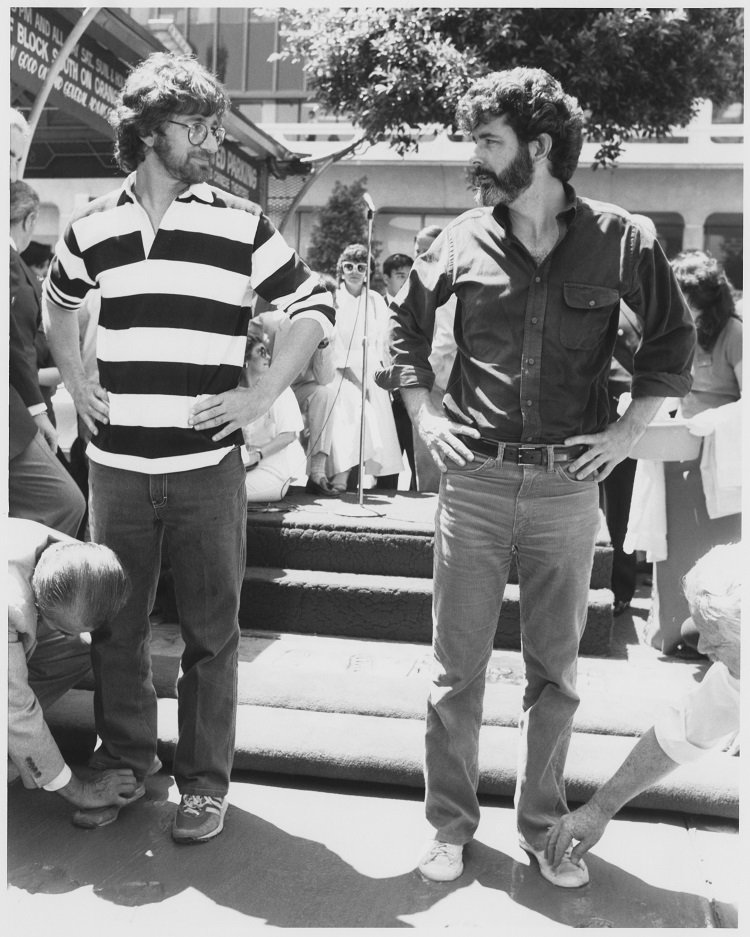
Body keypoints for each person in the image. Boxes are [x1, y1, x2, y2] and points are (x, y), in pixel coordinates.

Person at [376, 66, 695, 887]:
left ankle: (543, 822)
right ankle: (449, 825)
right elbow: (405, 335)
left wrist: (626, 434)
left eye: (488, 140)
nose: (473, 156)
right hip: (474, 482)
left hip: (566, 488)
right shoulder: (458, 238)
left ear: (540, 146)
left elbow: (672, 344)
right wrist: (425, 414)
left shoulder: (625, 239)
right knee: (456, 670)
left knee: (557, 673)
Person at [43, 52, 334, 844]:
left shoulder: (240, 222)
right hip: (117, 472)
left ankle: (205, 784)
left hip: (207, 472)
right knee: (115, 627)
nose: (209, 138)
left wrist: (260, 394)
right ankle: (129, 762)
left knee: (212, 634)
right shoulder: (92, 226)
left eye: (213, 123)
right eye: (194, 125)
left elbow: (314, 301)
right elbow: (57, 301)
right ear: (145, 130)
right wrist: (76, 375)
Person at [544, 541, 741, 876]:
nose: (702, 647)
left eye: (715, 640)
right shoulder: (735, 673)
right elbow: (677, 734)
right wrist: (598, 809)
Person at [8, 517, 140, 818]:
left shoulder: (70, 556)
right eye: (61, 627)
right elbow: (14, 711)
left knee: (78, 648)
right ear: (38, 601)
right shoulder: (9, 608)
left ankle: (17, 743)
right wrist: (79, 790)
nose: (69, 634)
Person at [644, 250, 743, 655]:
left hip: (719, 463)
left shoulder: (735, 333)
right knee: (673, 547)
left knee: (710, 552)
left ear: (704, 296)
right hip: (676, 450)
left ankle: (713, 639)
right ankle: (672, 632)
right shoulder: (684, 329)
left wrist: (714, 421)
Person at [9, 179, 86, 538]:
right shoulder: (9, 264)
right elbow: (14, 344)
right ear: (29, 220)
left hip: (24, 409)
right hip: (18, 412)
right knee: (67, 503)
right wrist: (37, 410)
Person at [599, 214, 655, 617]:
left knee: (631, 505)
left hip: (648, 414)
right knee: (605, 504)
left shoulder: (662, 299)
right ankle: (609, 585)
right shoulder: (605, 291)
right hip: (600, 412)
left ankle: (625, 584)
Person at [326, 244, 404, 493]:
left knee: (381, 431)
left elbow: (384, 340)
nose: (354, 272)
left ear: (368, 271)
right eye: (349, 266)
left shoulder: (374, 301)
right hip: (342, 374)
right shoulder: (334, 300)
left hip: (373, 372)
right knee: (351, 428)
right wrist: (356, 384)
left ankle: (384, 489)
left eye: (361, 267)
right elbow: (333, 346)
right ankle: (346, 484)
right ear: (341, 269)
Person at [410, 226, 458, 493]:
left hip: (440, 386)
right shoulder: (418, 281)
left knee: (435, 466)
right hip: (425, 382)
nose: (420, 256)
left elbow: (447, 338)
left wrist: (424, 376)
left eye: (426, 251)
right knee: (425, 464)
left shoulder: (448, 283)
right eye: (417, 250)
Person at [241, 334, 306, 502]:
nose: (268, 356)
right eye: (261, 352)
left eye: (267, 351)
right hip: (242, 469)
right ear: (245, 359)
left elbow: (289, 436)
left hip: (272, 472)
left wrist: (257, 455)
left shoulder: (280, 391)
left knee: (224, 492)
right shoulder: (237, 394)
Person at [380, 252, 417, 490]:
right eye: (400, 276)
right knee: (386, 469)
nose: (405, 282)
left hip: (412, 394)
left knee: (419, 465)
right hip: (384, 396)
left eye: (409, 276)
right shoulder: (374, 305)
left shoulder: (418, 307)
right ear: (386, 278)